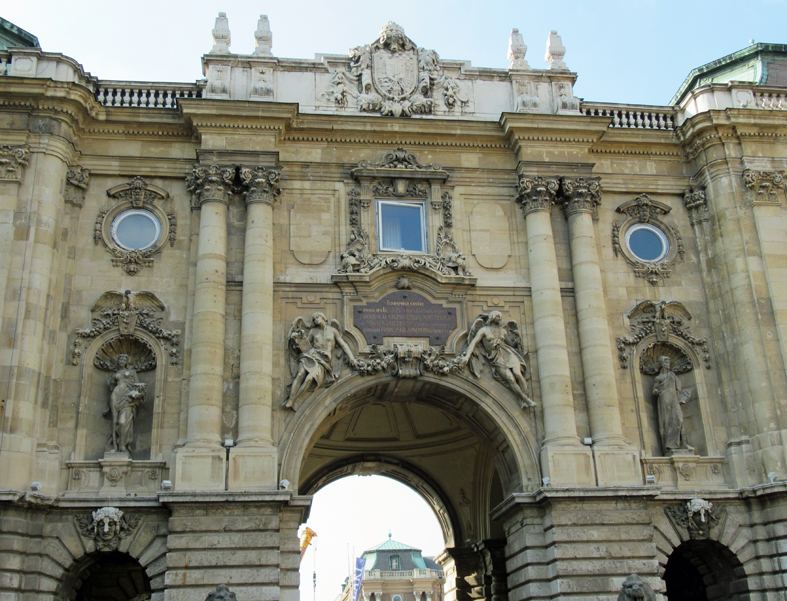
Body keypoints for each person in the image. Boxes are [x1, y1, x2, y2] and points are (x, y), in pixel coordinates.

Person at [460, 311, 535, 408]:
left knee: (518, 374)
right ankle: (524, 398)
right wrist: (467, 356)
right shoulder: (484, 330)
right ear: (492, 317)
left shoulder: (503, 331)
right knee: (510, 379)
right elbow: (473, 343)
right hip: (496, 358)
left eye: (501, 317)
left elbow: (510, 344)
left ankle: (526, 397)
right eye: (498, 316)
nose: (500, 318)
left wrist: (517, 341)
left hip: (508, 354)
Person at [284, 313, 358, 409]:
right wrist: (299, 339)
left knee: (309, 378)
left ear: (323, 318)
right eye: (314, 319)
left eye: (317, 317)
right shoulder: (313, 331)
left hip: (323, 360)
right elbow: (306, 345)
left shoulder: (333, 331)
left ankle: (295, 398)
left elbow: (343, 345)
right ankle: (290, 400)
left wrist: (351, 357)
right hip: (310, 355)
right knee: (300, 374)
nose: (315, 320)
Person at [104, 354, 146, 453]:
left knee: (123, 422)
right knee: (114, 422)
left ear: (127, 361)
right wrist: (108, 407)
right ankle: (115, 447)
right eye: (120, 359)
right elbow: (111, 388)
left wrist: (138, 394)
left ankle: (123, 445)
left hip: (127, 398)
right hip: (115, 396)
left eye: (124, 359)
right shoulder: (115, 374)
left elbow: (137, 386)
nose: (122, 361)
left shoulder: (132, 372)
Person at [652, 355, 692, 453]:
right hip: (664, 399)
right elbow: (654, 390)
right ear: (661, 364)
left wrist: (681, 396)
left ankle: (684, 444)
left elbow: (678, 387)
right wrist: (656, 391)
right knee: (666, 422)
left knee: (679, 419)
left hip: (674, 398)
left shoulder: (672, 375)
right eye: (666, 362)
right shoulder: (659, 378)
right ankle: (669, 446)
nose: (668, 364)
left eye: (668, 362)